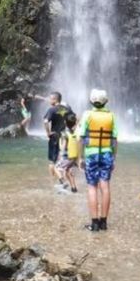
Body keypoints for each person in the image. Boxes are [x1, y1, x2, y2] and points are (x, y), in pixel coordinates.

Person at [78, 89, 117, 231]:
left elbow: (80, 137)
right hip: (107, 154)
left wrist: (80, 157)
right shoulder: (111, 116)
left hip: (91, 154)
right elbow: (114, 140)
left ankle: (94, 223)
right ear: (106, 101)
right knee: (105, 186)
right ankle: (104, 222)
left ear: (91, 101)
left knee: (92, 186)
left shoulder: (87, 115)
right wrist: (114, 158)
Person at [42, 92, 73, 185]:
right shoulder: (66, 109)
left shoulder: (52, 110)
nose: (49, 100)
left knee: (52, 161)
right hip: (65, 137)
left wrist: (48, 133)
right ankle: (64, 179)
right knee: (62, 159)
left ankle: (56, 181)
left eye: (51, 99)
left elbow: (45, 121)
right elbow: (73, 120)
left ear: (55, 99)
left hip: (55, 136)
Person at [56, 112, 80, 193]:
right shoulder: (74, 131)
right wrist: (77, 121)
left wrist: (60, 154)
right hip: (74, 157)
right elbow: (76, 124)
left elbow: (63, 147)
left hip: (67, 156)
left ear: (65, 123)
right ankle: (74, 189)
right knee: (68, 172)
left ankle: (63, 183)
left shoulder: (65, 134)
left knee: (57, 168)